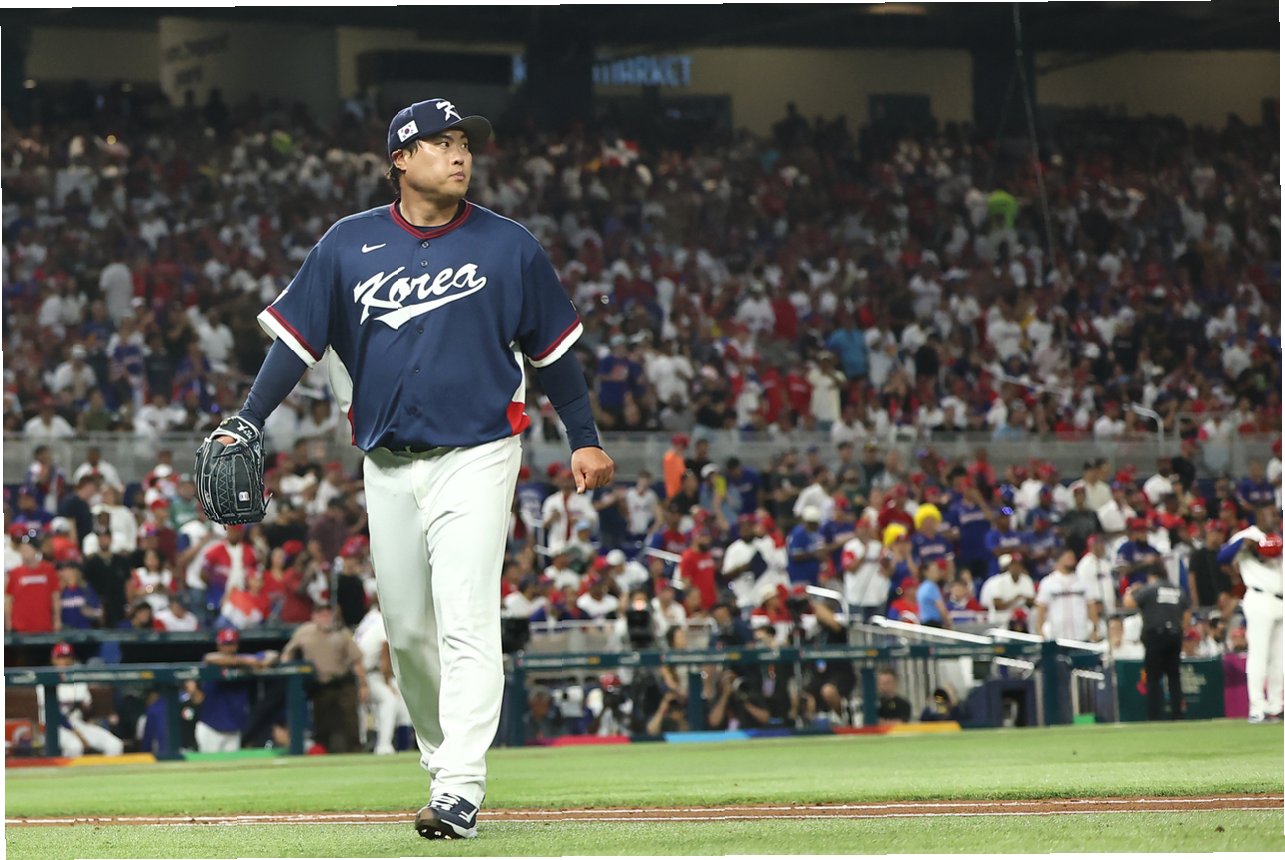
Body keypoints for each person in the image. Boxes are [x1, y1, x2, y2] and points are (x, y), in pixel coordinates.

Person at [281, 603, 370, 755]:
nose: (325, 617)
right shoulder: (304, 632)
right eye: (321, 614)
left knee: (350, 722)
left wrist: (363, 685)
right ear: (314, 616)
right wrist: (287, 667)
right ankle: (324, 753)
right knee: (322, 724)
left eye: (328, 614)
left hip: (343, 683)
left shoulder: (341, 633)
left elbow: (357, 661)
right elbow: (288, 652)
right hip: (320, 685)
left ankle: (354, 752)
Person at [1218, 523, 1283, 723]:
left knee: (1279, 658)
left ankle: (1276, 705)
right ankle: (1257, 707)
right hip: (1259, 597)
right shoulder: (1248, 534)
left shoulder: (1278, 535)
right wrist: (1244, 545)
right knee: (1258, 655)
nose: (1272, 516)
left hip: (1280, 601)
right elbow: (1222, 558)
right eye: (1267, 512)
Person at [190, 628, 279, 752]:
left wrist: (254, 661)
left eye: (231, 644)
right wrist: (251, 661)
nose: (229, 648)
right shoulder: (214, 662)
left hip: (234, 730)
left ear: (237, 645)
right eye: (225, 644)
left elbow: (273, 655)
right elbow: (209, 658)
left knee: (232, 763)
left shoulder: (246, 662)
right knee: (209, 763)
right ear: (218, 645)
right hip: (211, 728)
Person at [1124, 568, 1192, 721]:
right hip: (1174, 635)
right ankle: (1177, 715)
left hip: (1155, 636)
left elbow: (1129, 603)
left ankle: (1155, 716)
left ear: (1151, 576)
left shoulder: (1150, 588)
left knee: (1153, 678)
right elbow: (1187, 614)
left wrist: (1131, 590)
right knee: (1174, 677)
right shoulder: (1177, 590)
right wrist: (1180, 630)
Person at [37, 642, 126, 758]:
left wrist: (92, 715)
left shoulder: (78, 679)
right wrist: (78, 735)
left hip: (77, 723)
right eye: (60, 657)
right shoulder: (45, 679)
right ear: (53, 659)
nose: (64, 661)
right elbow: (54, 715)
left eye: (67, 657)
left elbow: (87, 709)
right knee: (75, 747)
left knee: (115, 745)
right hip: (51, 727)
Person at [353, 593, 411, 755]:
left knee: (402, 699)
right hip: (365, 675)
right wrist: (387, 682)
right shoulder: (383, 622)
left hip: (362, 673)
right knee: (390, 698)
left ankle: (403, 745)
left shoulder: (371, 616)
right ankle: (384, 746)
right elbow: (385, 657)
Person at [1034, 550, 1095, 642]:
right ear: (1059, 560)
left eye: (1073, 558)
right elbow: (1041, 608)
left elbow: (1091, 606)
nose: (1071, 560)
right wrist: (1040, 631)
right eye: (1068, 557)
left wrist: (1094, 629)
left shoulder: (1083, 581)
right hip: (1056, 636)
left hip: (1082, 634)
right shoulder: (1048, 582)